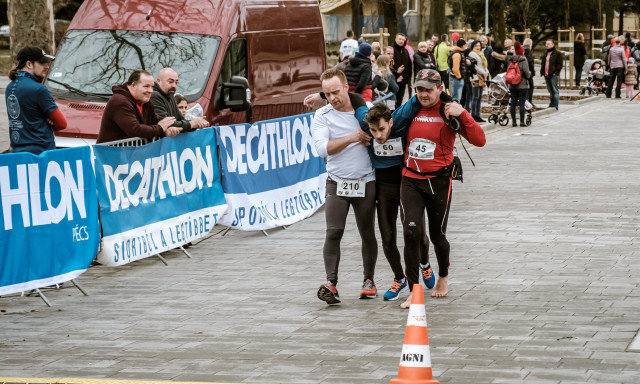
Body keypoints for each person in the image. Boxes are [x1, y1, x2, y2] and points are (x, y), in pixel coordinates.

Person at [391, 69, 486, 306]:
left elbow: (480, 140)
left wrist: (463, 113)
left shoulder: (449, 111)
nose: (423, 94)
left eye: (428, 89)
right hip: (411, 178)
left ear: (440, 89)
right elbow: (387, 126)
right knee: (410, 232)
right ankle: (415, 289)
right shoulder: (410, 110)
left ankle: (443, 275)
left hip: (439, 181)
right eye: (419, 89)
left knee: (437, 235)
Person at [310, 68, 378, 305]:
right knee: (334, 232)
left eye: (336, 92)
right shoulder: (322, 115)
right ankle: (331, 283)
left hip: (365, 181)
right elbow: (321, 149)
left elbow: (385, 132)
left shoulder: (365, 112)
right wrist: (353, 137)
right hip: (337, 182)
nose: (332, 98)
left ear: (347, 88)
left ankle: (368, 281)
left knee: (366, 231)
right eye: (327, 94)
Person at [5, 46, 66, 154]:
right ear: (29, 64)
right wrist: (49, 122)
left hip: (17, 151)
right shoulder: (39, 89)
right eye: (42, 63)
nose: (47, 66)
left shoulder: (10, 87)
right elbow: (62, 123)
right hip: (40, 153)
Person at [97, 70, 178, 143]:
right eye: (146, 86)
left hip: (130, 155)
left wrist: (166, 131)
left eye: (152, 87)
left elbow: (154, 122)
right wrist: (160, 129)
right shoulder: (119, 101)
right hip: (110, 156)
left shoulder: (146, 101)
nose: (150, 91)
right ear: (133, 85)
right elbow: (135, 129)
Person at [151, 68, 209, 133]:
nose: (174, 85)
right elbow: (164, 124)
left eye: (176, 82)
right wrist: (191, 124)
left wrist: (196, 123)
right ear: (159, 81)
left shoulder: (170, 96)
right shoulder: (154, 96)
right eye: (170, 82)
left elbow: (180, 119)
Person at [506, 42, 531, 127]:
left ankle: (513, 122)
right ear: (522, 51)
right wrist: (529, 74)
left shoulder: (512, 59)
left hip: (512, 85)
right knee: (521, 103)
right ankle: (521, 122)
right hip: (522, 85)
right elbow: (527, 74)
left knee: (512, 103)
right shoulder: (523, 60)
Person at [468, 40, 488, 122]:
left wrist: (486, 72)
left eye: (479, 45)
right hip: (475, 77)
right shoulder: (472, 54)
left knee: (479, 97)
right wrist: (483, 72)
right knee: (475, 96)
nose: (478, 47)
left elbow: (484, 65)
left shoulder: (481, 54)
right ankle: (474, 114)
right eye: (476, 46)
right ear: (473, 46)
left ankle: (478, 114)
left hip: (482, 77)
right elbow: (474, 66)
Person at [540, 40, 563, 109]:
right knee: (550, 90)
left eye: (548, 44)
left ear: (552, 44)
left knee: (555, 90)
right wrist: (542, 72)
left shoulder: (557, 53)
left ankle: (556, 104)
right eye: (546, 44)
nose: (547, 45)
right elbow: (543, 64)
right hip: (546, 74)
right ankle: (551, 104)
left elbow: (560, 64)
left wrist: (556, 72)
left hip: (553, 75)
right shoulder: (546, 53)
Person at [392, 33, 413, 109]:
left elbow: (409, 65)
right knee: (392, 100)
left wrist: (408, 79)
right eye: (399, 39)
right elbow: (388, 65)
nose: (401, 41)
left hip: (403, 81)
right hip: (393, 80)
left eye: (403, 39)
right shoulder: (392, 50)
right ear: (395, 39)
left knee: (400, 99)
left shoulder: (406, 51)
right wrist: (396, 73)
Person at [523, 38, 536, 103]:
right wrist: (533, 72)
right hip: (528, 71)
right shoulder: (528, 51)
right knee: (531, 86)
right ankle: (529, 101)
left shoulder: (521, 50)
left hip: (522, 71)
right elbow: (530, 62)